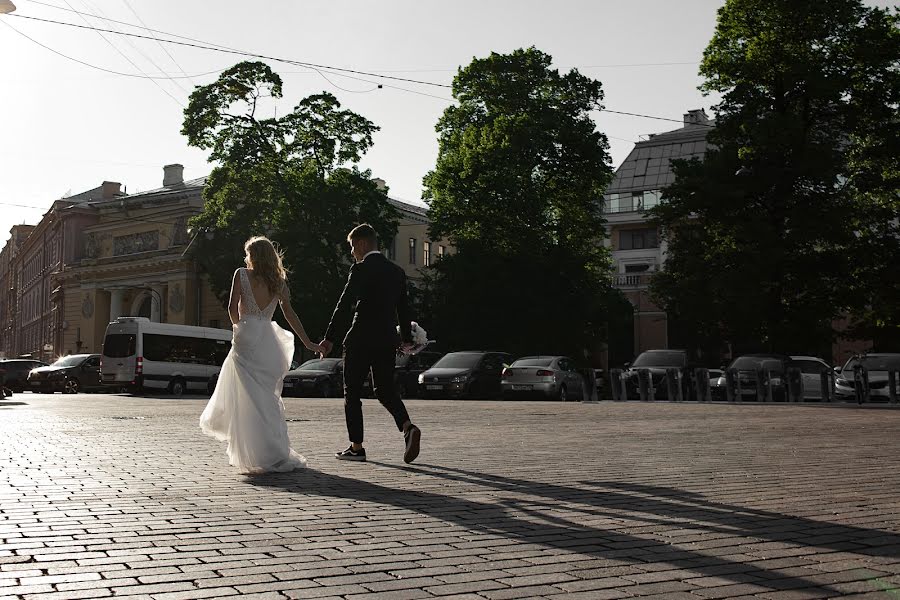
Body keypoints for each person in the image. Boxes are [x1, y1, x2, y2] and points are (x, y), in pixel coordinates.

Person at [200, 236, 324, 473]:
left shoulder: (241, 274)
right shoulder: (279, 282)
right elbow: (290, 315)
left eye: (248, 253)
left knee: (246, 397)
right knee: (267, 398)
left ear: (253, 255)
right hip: (268, 339)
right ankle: (274, 451)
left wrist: (239, 328)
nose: (245, 258)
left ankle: (254, 452)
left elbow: (231, 306)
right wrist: (308, 342)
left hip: (246, 335)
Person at [320, 224, 421, 464]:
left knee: (352, 392)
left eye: (353, 247)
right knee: (385, 389)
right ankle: (407, 427)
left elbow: (343, 306)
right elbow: (403, 310)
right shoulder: (396, 272)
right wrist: (406, 338)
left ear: (363, 244)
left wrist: (329, 338)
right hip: (387, 339)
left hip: (360, 339)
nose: (352, 252)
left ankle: (356, 447)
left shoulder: (361, 269)